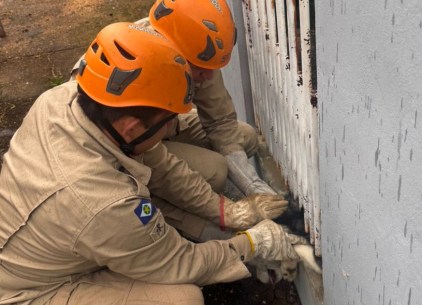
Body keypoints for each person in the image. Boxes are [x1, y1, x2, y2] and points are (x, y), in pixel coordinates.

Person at [0, 22, 299, 305]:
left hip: (42, 243)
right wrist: (251, 244)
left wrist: (226, 212)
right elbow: (178, 263)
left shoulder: (68, 102)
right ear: (132, 127)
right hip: (20, 296)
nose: (173, 129)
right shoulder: (103, 204)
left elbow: (163, 167)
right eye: (169, 120)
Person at [72, 0, 289, 245]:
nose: (207, 76)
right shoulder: (132, 77)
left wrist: (253, 184)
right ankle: (162, 213)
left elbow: (221, 121)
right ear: (174, 53)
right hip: (126, 153)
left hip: (156, 131)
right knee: (216, 171)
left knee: (245, 136)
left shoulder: (197, 51)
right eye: (199, 69)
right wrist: (226, 217)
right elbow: (163, 167)